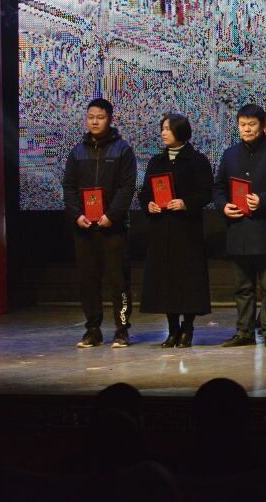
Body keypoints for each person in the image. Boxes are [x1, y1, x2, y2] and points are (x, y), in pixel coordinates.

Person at [212, 104, 266, 348]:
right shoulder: (230, 154)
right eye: (242, 125)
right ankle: (244, 332)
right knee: (243, 287)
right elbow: (218, 187)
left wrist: (263, 200)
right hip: (238, 229)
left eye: (251, 124)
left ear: (262, 126)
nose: (247, 129)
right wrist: (223, 206)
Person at [63, 98, 137, 348]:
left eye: (100, 117)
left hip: (113, 227)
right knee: (88, 281)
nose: (94, 121)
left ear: (110, 119)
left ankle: (122, 329)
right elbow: (69, 187)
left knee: (119, 282)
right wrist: (77, 215)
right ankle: (92, 330)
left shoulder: (122, 150)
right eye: (91, 117)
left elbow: (128, 187)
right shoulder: (77, 151)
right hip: (84, 228)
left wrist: (111, 215)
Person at [137, 113, 213, 348]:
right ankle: (172, 330)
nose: (163, 133)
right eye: (162, 128)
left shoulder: (197, 160)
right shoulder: (156, 161)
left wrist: (185, 203)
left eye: (168, 129)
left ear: (181, 131)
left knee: (187, 281)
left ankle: (188, 328)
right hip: (162, 230)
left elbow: (206, 193)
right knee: (166, 281)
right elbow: (145, 192)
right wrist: (149, 205)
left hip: (186, 231)